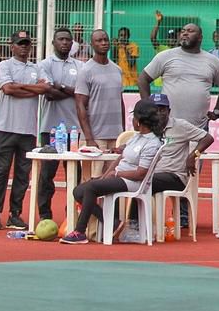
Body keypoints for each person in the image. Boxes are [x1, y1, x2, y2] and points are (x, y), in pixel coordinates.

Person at [59, 99, 164, 244]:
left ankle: (80, 231)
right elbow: (120, 158)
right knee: (78, 191)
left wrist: (116, 174)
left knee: (91, 188)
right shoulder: (136, 137)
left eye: (134, 117)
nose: (132, 121)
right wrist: (105, 175)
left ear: (139, 121)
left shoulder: (152, 143)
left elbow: (141, 173)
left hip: (134, 182)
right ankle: (112, 222)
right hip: (120, 177)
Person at [121, 92, 213, 241]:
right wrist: (121, 148)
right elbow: (134, 144)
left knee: (143, 181)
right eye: (155, 109)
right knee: (124, 180)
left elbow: (208, 138)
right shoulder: (149, 128)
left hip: (174, 176)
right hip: (152, 174)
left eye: (162, 109)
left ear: (169, 111)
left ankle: (134, 227)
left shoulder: (180, 126)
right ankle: (120, 223)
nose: (159, 113)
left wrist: (193, 155)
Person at [0, 31, 49, 230]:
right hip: (6, 128)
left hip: (28, 131)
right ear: (12, 46)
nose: (24, 47)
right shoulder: (5, 65)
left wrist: (19, 87)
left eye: (26, 44)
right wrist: (31, 88)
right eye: (20, 43)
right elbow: (8, 89)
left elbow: (44, 89)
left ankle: (15, 214)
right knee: (1, 172)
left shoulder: (37, 68)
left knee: (23, 175)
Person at [138, 23, 219, 129]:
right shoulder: (165, 56)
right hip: (168, 127)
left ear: (200, 37)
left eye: (190, 31)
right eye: (183, 31)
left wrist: (217, 111)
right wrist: (149, 107)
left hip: (199, 128)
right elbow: (143, 79)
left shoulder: (213, 61)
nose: (185, 33)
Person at [37, 28, 83, 221]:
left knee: (75, 174)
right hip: (50, 128)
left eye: (68, 40)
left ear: (72, 44)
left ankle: (71, 214)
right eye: (61, 39)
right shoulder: (44, 65)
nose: (65, 42)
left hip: (74, 129)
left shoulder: (80, 66)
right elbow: (48, 93)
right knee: (47, 174)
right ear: (53, 42)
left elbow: (81, 92)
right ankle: (45, 215)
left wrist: (60, 86)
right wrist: (70, 91)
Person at [75, 29, 125, 150]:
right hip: (95, 138)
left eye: (105, 40)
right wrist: (89, 138)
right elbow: (80, 105)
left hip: (116, 138)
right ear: (92, 44)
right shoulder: (86, 70)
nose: (103, 43)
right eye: (99, 40)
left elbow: (120, 103)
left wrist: (122, 134)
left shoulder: (117, 70)